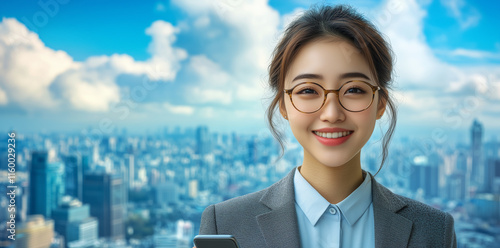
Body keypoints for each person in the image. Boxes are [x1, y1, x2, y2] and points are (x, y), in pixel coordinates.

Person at [198, 4, 456, 248]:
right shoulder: (225, 223)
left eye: (354, 89)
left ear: (380, 103)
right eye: (308, 90)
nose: (332, 114)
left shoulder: (433, 230)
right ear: (283, 106)